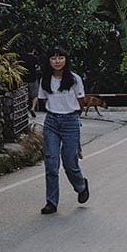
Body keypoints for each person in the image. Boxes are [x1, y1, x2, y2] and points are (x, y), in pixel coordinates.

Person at [34, 46, 92, 215]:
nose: (57, 62)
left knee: (70, 161)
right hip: (51, 121)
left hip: (70, 121)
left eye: (60, 58)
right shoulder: (45, 79)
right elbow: (43, 101)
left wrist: (72, 116)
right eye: (53, 58)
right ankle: (51, 202)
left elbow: (81, 101)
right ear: (49, 61)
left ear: (66, 60)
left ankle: (81, 185)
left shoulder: (74, 79)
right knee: (51, 163)